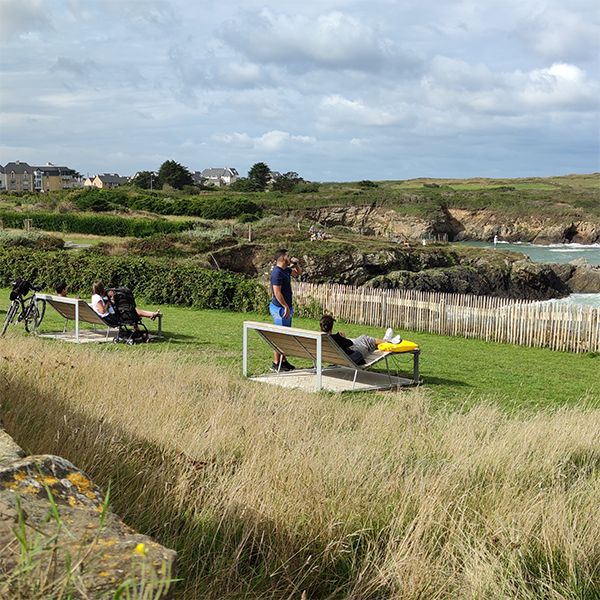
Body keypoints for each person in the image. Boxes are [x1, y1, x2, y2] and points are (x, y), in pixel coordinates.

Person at [319, 314, 401, 365]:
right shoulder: (336, 338)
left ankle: (386, 340)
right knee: (365, 339)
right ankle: (389, 341)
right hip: (352, 358)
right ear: (331, 326)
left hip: (339, 358)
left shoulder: (319, 338)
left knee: (363, 339)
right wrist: (342, 337)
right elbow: (350, 343)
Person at [269, 249, 302, 371]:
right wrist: (285, 306)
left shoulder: (285, 270)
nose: (290, 257)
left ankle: (283, 361)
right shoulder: (277, 273)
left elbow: (297, 273)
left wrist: (296, 264)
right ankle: (276, 363)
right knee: (280, 335)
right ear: (282, 258)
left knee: (285, 334)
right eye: (288, 255)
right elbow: (277, 292)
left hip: (285, 307)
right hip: (279, 308)